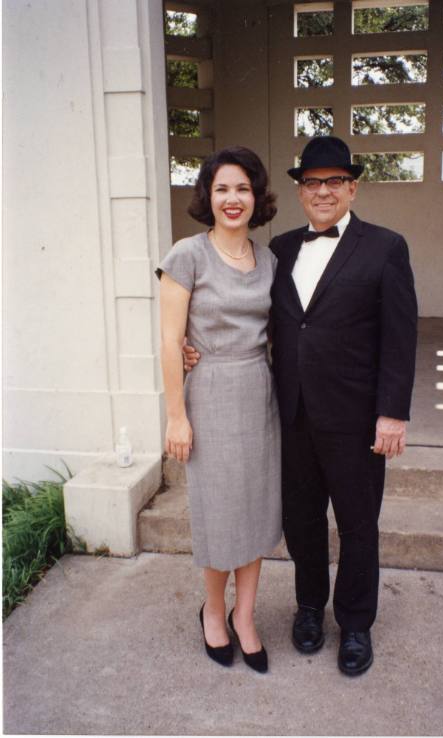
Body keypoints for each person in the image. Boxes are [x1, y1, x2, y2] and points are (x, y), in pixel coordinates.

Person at [185, 135, 418, 677]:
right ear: (299, 191)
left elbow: (400, 337)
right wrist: (185, 344)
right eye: (312, 182)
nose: (322, 191)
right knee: (303, 521)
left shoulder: (386, 247)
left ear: (352, 188)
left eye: (334, 181)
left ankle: (356, 623)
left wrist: (393, 412)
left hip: (358, 418)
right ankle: (310, 608)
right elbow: (231, 309)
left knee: (359, 524)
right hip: (288, 415)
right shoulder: (279, 251)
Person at [156, 146, 281, 674]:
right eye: (222, 188)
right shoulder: (187, 254)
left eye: (243, 188)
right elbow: (168, 340)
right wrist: (176, 414)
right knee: (217, 513)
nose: (233, 199)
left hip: (259, 391)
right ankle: (212, 610)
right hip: (209, 393)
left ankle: (245, 616)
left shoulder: (269, 258)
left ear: (257, 197)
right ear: (208, 196)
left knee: (256, 509)